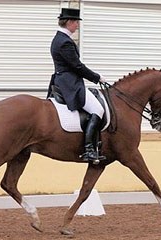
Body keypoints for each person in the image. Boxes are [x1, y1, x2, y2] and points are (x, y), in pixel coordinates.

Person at [47, 8, 107, 162]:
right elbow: (77, 66)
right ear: (69, 22)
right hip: (69, 83)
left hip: (64, 79)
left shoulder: (59, 38)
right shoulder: (64, 42)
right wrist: (97, 77)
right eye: (76, 23)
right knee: (98, 109)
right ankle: (89, 149)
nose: (78, 26)